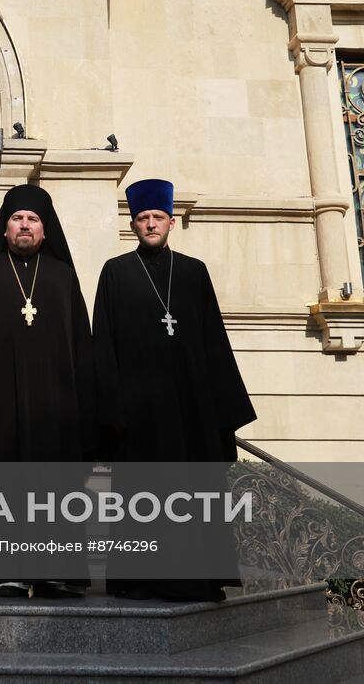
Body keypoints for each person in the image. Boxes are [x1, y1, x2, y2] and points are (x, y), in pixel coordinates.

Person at [93, 178, 257, 603]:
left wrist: (222, 415)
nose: (151, 225)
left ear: (171, 222)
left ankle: (199, 578)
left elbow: (215, 342)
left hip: (191, 413)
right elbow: (103, 344)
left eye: (158, 218)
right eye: (143, 218)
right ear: (133, 224)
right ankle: (138, 579)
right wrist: (109, 411)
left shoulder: (193, 271)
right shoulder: (115, 272)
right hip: (138, 414)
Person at [0, 184, 98, 598]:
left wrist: (88, 409)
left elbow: (82, 347)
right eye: (17, 219)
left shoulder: (64, 278)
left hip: (57, 411)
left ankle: (55, 573)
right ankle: (6, 573)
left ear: (46, 231)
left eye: (33, 220)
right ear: (3, 229)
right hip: (2, 409)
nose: (25, 226)